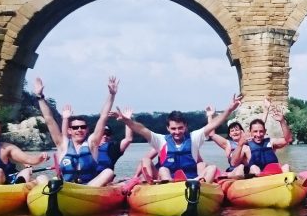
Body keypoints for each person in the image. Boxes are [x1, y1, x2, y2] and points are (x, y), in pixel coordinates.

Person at [114, 93, 243, 182]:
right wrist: (127, 121)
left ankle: (203, 191)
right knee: (162, 168)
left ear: (185, 126)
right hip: (167, 182)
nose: (177, 132)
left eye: (180, 128)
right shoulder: (161, 140)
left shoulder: (194, 138)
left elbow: (214, 123)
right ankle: (163, 189)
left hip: (192, 181)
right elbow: (141, 129)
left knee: (212, 168)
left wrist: (229, 109)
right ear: (168, 128)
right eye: (174, 129)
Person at [33, 76, 119, 186]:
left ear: (87, 129)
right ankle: (51, 195)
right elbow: (49, 119)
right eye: (75, 128)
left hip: (88, 188)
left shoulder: (92, 143)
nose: (79, 130)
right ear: (69, 131)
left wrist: (112, 95)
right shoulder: (62, 144)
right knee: (41, 177)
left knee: (108, 172)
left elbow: (103, 117)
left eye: (82, 127)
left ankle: (85, 195)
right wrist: (40, 97)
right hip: (66, 189)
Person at [231, 104, 293, 175]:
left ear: (265, 132)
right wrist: (239, 145)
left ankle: (288, 183)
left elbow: (287, 139)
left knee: (286, 167)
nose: (258, 134)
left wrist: (282, 121)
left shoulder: (271, 142)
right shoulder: (246, 147)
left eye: (261, 131)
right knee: (254, 168)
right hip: (257, 177)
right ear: (250, 132)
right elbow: (233, 163)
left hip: (274, 175)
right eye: (255, 131)